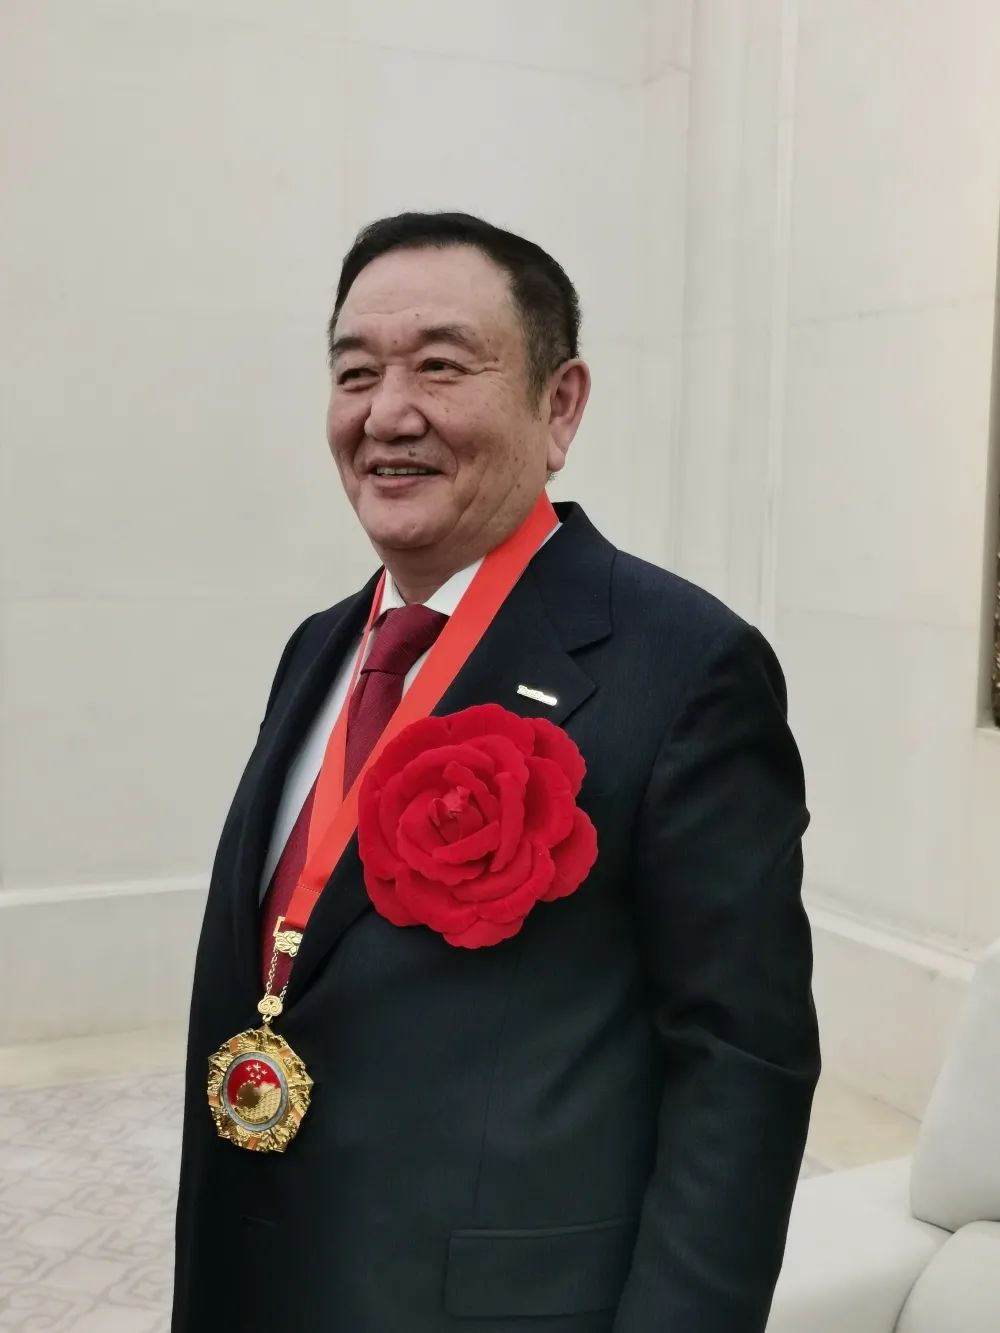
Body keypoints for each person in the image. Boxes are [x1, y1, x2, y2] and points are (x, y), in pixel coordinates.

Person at [172, 211, 820, 1332]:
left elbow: (739, 1064)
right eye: (355, 372)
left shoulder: (683, 667)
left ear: (558, 406)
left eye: (439, 366)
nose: (387, 413)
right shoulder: (320, 647)